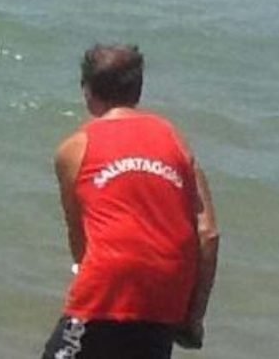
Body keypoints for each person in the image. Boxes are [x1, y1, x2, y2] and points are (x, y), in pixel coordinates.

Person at [42, 44, 219, 359]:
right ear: (138, 90)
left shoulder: (74, 149)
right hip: (167, 294)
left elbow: (80, 240)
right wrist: (194, 316)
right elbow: (208, 233)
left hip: (106, 290)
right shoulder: (175, 140)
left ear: (87, 90)